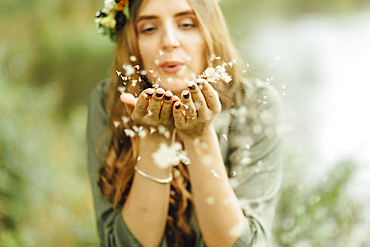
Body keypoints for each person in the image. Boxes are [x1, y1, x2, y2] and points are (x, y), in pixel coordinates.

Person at [87, 0, 283, 246]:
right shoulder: (108, 104)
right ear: (132, 43)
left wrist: (198, 135)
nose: (169, 40)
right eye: (149, 29)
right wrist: (155, 138)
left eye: (187, 24)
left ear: (210, 31)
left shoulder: (255, 104)